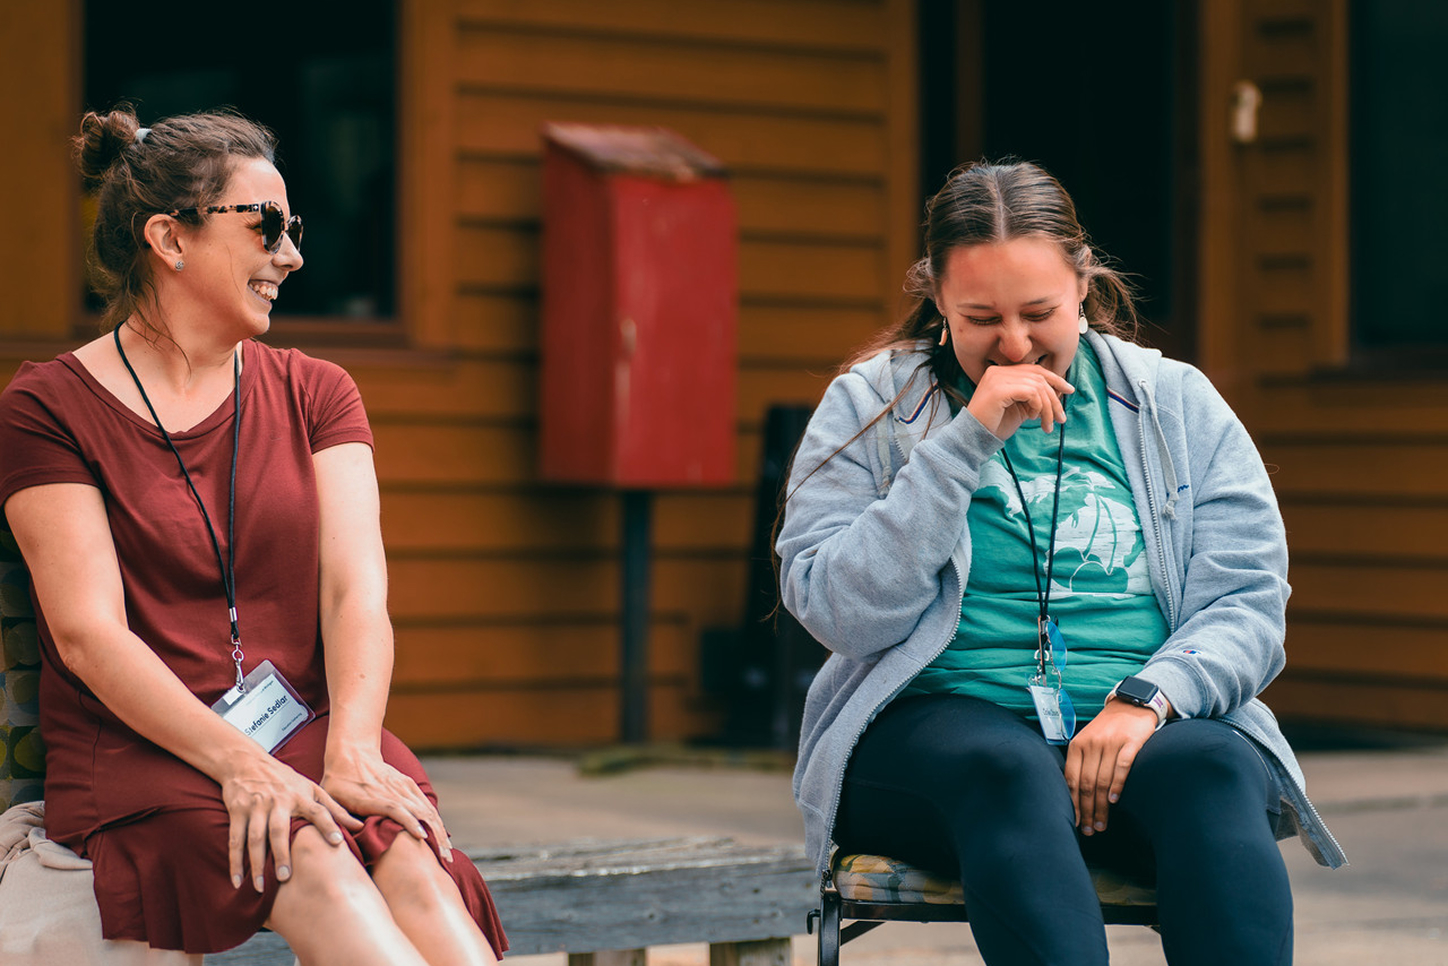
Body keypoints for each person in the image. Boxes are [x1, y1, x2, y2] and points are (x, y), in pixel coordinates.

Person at [777, 160, 1346, 966]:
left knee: (1217, 767)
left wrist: (1149, 699)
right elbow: (839, 609)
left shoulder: (1176, 404)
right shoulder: (874, 404)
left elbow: (1249, 601)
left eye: (1039, 312)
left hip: (1141, 725)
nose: (1014, 345)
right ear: (937, 296)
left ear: (1084, 284)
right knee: (1005, 768)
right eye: (981, 318)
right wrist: (965, 443)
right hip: (939, 731)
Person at [0, 107, 507, 965]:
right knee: (310, 857)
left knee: (412, 861)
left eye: (294, 227)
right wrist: (240, 762)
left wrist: (349, 746)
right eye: (266, 225)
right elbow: (88, 636)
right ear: (169, 237)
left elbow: (356, 591)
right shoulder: (48, 408)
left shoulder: (319, 392)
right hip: (145, 745)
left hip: (303, 725)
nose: (292, 255)